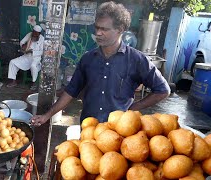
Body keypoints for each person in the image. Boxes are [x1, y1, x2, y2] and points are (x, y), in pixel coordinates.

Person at [31, 1, 170, 126]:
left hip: (119, 132)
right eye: (97, 28)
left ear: (120, 29)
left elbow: (163, 90)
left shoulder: (137, 59)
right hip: (89, 128)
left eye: (104, 29)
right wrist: (47, 116)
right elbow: (70, 91)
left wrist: (133, 108)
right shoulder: (88, 59)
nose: (98, 33)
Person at [6, 25, 44, 90]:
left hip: (36, 58)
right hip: (26, 56)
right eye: (33, 33)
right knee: (12, 62)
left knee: (33, 66)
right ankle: (13, 81)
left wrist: (32, 52)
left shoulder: (42, 38)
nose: (34, 35)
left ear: (39, 34)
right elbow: (22, 42)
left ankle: (34, 83)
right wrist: (24, 46)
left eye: (36, 34)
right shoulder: (29, 34)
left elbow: (42, 52)